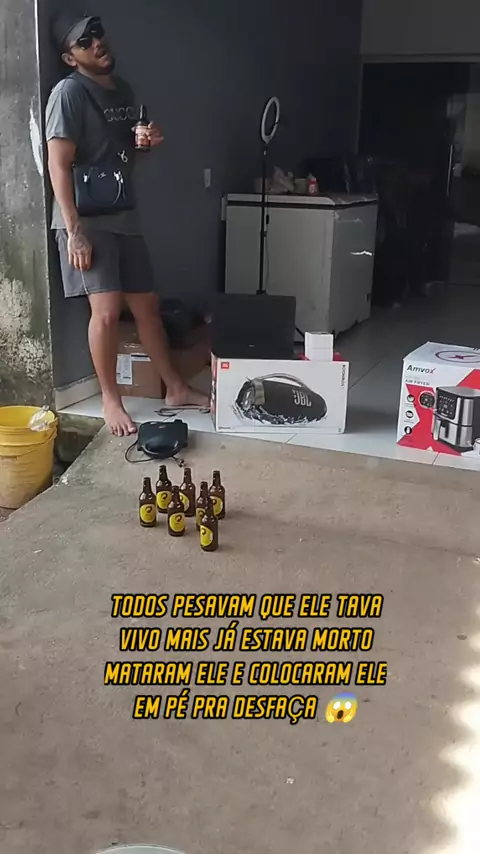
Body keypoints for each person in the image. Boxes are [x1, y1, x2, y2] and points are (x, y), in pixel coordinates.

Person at [45, 13, 209, 437]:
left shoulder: (124, 90)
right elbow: (58, 165)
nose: (96, 42)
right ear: (70, 57)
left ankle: (175, 388)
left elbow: (124, 158)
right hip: (86, 221)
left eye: (96, 34)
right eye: (84, 41)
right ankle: (110, 400)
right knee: (105, 312)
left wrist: (146, 145)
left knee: (147, 306)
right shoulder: (68, 94)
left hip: (123, 214)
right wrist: (74, 231)